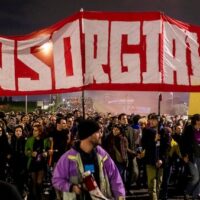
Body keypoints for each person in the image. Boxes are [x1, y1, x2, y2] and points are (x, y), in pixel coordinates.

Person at [52, 119, 125, 200]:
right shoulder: (68, 158)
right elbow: (56, 179)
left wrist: (120, 196)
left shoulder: (102, 154)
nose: (101, 135)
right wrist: (72, 187)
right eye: (98, 132)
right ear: (89, 135)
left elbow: (115, 178)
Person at [182, 114, 200, 200]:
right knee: (196, 177)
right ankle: (187, 192)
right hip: (191, 156)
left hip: (199, 156)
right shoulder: (189, 129)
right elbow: (183, 143)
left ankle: (195, 195)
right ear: (197, 121)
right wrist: (184, 155)